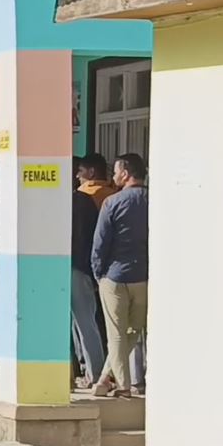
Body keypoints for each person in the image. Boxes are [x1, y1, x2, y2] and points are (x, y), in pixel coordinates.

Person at [92, 153, 149, 398]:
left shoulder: (112, 202)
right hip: (143, 277)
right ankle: (105, 379)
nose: (113, 176)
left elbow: (100, 243)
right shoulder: (155, 200)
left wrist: (98, 273)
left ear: (125, 174)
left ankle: (123, 387)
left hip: (114, 276)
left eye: (115, 171)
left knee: (116, 333)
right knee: (133, 332)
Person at [71, 165, 107, 387]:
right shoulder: (84, 201)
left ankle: (74, 373)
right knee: (85, 323)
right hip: (80, 268)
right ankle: (94, 373)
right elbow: (96, 236)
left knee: (71, 324)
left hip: (53, 267)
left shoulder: (45, 200)